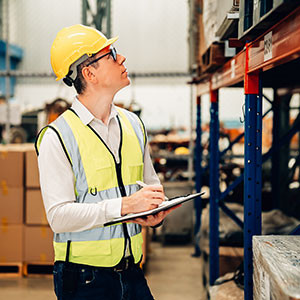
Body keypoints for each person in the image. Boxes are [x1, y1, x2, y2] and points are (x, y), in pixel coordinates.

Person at [35, 24, 178, 300]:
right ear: (89, 72)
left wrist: (153, 212)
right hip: (84, 281)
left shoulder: (133, 124)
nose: (122, 58)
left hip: (133, 273)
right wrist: (125, 206)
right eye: (111, 54)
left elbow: (150, 185)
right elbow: (59, 217)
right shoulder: (57, 137)